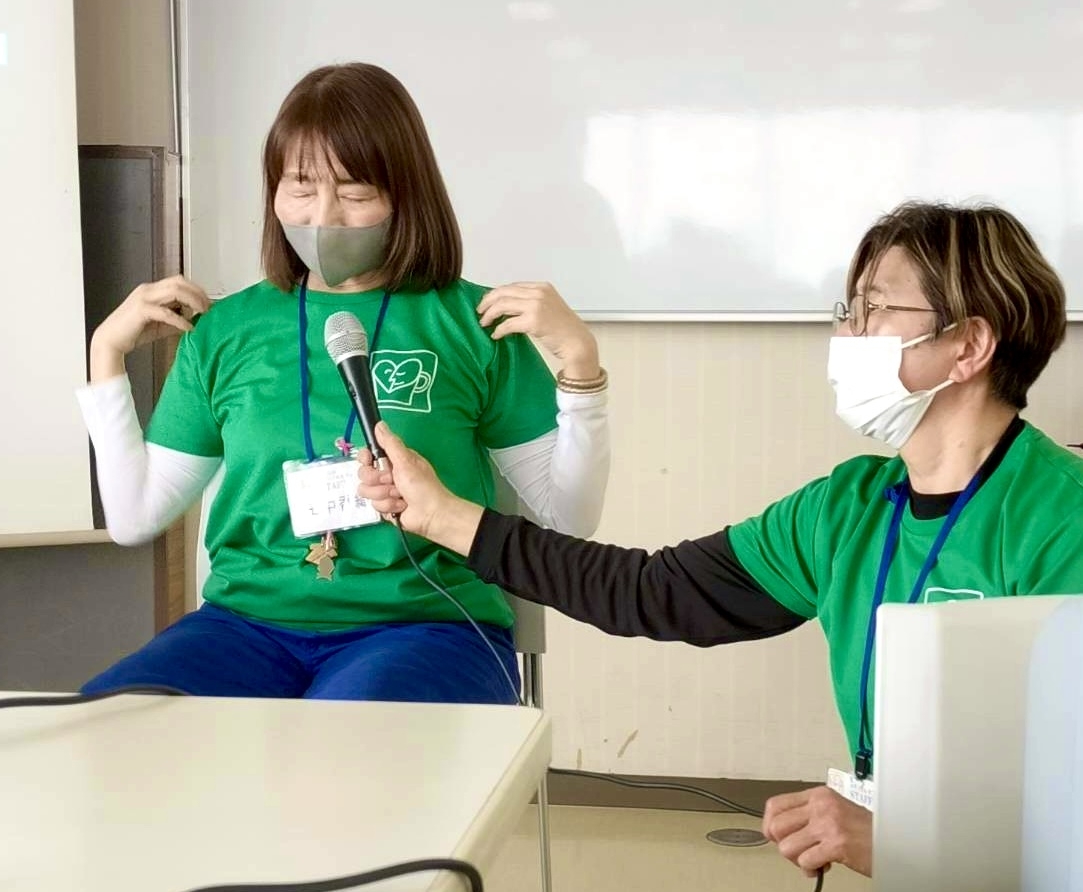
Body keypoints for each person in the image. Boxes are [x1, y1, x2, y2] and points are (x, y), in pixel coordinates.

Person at [357, 200, 1083, 877]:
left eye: (874, 308)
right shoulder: (848, 509)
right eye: (847, 309)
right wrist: (443, 516)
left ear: (968, 345)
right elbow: (651, 591)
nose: (844, 334)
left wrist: (904, 839)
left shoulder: (1061, 520)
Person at [75, 62, 610, 705]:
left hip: (426, 627)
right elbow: (135, 517)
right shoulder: (226, 330)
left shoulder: (475, 324)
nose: (323, 217)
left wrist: (581, 367)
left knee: (342, 738)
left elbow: (568, 518)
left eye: (355, 193)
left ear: (406, 196)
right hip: (246, 629)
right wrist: (106, 354)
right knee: (109, 722)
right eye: (300, 187)